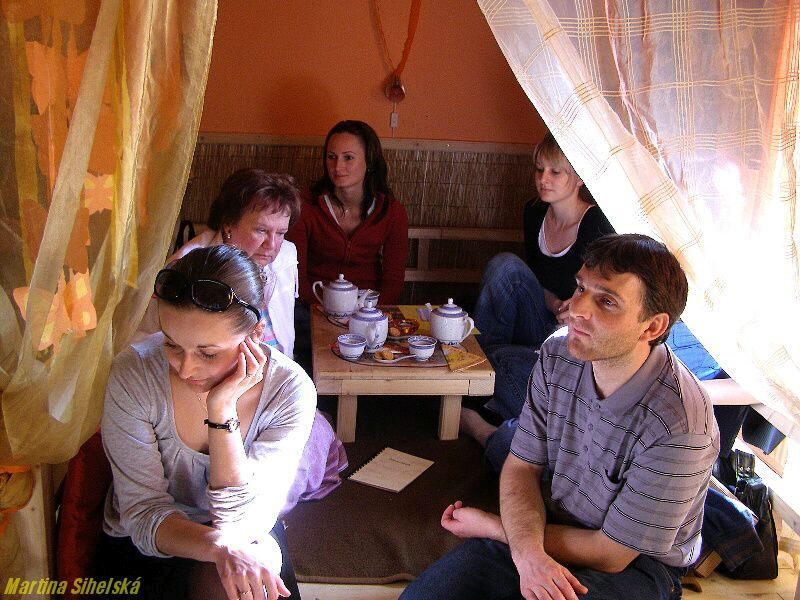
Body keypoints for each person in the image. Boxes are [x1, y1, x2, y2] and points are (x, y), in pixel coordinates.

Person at [400, 234, 720, 600]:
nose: (578, 308)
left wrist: (497, 529)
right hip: (548, 522)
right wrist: (528, 553)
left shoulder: (679, 425)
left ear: (652, 327)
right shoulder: (558, 354)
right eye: (581, 287)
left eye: (607, 301)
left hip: (635, 564)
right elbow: (523, 467)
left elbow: (611, 554)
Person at [99, 246, 315, 600]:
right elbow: (143, 511)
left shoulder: (289, 390)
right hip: (155, 537)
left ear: (256, 334)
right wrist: (220, 549)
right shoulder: (134, 374)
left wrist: (222, 411)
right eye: (172, 345)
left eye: (208, 353)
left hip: (247, 530)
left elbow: (242, 522)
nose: (186, 369)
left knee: (244, 587)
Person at [161, 169, 347, 513]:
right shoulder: (188, 269)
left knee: (310, 439)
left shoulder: (285, 255)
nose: (271, 245)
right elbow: (163, 348)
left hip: (267, 385)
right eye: (261, 230)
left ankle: (257, 510)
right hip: (200, 393)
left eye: (281, 232)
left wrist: (282, 391)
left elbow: (283, 339)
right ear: (228, 225)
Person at [472, 132, 615, 424]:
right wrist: (554, 304)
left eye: (555, 172)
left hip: (569, 334)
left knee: (502, 361)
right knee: (506, 266)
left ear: (579, 177)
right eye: (539, 169)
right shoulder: (534, 212)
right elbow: (532, 279)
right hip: (539, 317)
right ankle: (481, 376)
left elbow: (606, 294)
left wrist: (576, 309)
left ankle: (485, 381)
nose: (543, 179)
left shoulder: (598, 224)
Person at [287, 119, 409, 307]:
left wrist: (370, 313)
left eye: (348, 158)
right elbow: (296, 275)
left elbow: (393, 280)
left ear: (369, 161)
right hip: (313, 305)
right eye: (331, 157)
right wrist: (323, 311)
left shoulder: (392, 212)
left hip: (369, 308)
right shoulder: (305, 206)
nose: (337, 167)